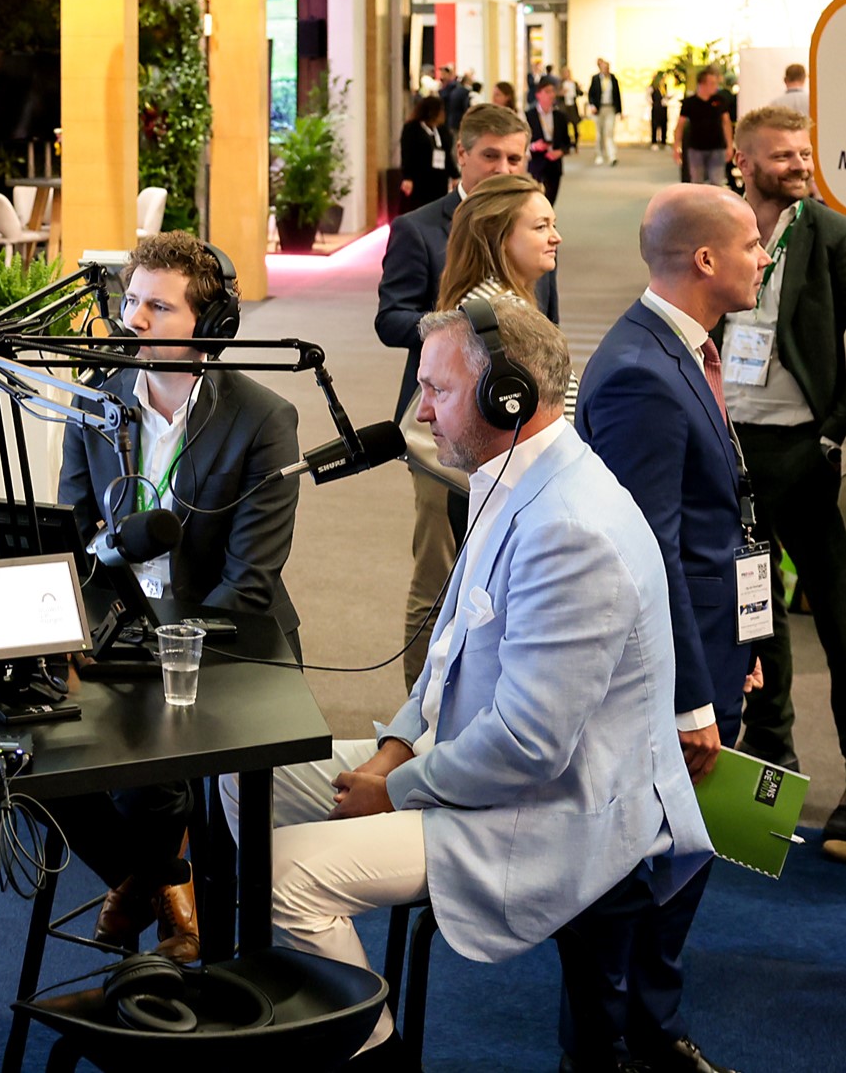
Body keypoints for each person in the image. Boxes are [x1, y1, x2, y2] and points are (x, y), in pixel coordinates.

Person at [223, 301, 711, 1073]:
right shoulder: (505, 475)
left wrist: (395, 790)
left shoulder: (569, 528)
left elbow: (529, 747)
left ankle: (368, 1053)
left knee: (288, 877)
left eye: (436, 390)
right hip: (470, 762)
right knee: (241, 777)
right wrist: (388, 753)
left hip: (553, 809)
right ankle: (273, 1007)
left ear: (506, 397)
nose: (418, 410)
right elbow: (446, 654)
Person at [51, 230, 303, 962]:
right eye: (130, 300)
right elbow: (73, 532)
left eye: (157, 307)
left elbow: (248, 578)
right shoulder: (95, 401)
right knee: (29, 762)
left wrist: (169, 656)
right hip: (124, 630)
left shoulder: (262, 418)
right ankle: (161, 877)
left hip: (224, 637)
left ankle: (164, 893)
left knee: (156, 763)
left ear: (208, 325)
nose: (132, 319)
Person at [572, 183, 772, 1073]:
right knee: (637, 869)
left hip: (712, 644)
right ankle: (609, 1046)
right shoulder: (639, 374)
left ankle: (651, 1028)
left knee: (688, 853)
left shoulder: (678, 348)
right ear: (704, 260)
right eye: (751, 246)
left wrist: (744, 646)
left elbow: (702, 526)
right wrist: (693, 695)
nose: (762, 257)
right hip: (667, 678)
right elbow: (639, 557)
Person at [378, 103, 555, 691]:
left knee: (493, 583)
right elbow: (390, 319)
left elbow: (547, 336)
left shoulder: (530, 234)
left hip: (516, 442)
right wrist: (460, 335)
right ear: (462, 156)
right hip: (440, 433)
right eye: (491, 156)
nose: (504, 167)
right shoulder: (421, 228)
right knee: (438, 573)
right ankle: (417, 713)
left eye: (515, 157)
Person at [721, 106, 846, 862]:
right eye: (781, 155)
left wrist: (833, 428)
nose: (797, 164)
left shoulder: (830, 234)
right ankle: (768, 781)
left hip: (806, 453)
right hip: (733, 454)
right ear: (743, 160)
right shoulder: (719, 225)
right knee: (752, 617)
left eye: (802, 153)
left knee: (837, 618)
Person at [435, 174, 561, 314]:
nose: (557, 238)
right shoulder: (502, 315)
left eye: (553, 225)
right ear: (499, 237)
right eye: (541, 227)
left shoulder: (482, 303)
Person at [675, 67, 733, 185]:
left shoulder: (720, 100)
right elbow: (680, 125)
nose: (715, 86)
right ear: (702, 84)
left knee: (717, 182)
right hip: (696, 148)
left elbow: (726, 123)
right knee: (697, 182)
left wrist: (730, 145)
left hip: (717, 147)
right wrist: (676, 146)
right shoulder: (689, 103)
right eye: (712, 83)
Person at [398, 95, 454, 213]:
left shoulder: (442, 130)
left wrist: (455, 175)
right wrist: (407, 177)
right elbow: (407, 153)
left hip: (439, 179)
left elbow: (447, 155)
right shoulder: (412, 129)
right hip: (420, 180)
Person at [527, 77, 574, 204]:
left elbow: (568, 143)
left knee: (549, 203)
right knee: (534, 202)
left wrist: (560, 152)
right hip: (536, 165)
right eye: (547, 91)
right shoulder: (529, 116)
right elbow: (522, 143)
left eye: (553, 91)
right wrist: (533, 146)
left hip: (554, 166)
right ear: (538, 95)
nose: (551, 95)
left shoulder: (560, 117)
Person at [588, 57, 623, 167]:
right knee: (599, 133)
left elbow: (617, 95)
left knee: (609, 132)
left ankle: (612, 156)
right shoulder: (595, 79)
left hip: (610, 108)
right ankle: (599, 154)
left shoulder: (613, 79)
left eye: (607, 68)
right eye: (603, 67)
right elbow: (591, 94)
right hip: (599, 109)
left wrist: (620, 111)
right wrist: (592, 106)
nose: (605, 69)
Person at [560, 66, 584, 155]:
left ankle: (576, 144)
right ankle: (567, 145)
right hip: (565, 107)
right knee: (565, 127)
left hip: (573, 107)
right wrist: (561, 93)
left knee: (575, 126)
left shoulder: (574, 83)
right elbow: (557, 96)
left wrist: (579, 88)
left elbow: (580, 93)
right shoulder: (561, 83)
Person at [650, 72, 671, 150]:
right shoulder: (652, 87)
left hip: (664, 107)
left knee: (664, 124)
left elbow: (665, 95)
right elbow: (648, 96)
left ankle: (663, 142)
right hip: (656, 107)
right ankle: (654, 142)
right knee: (655, 124)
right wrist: (653, 103)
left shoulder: (664, 86)